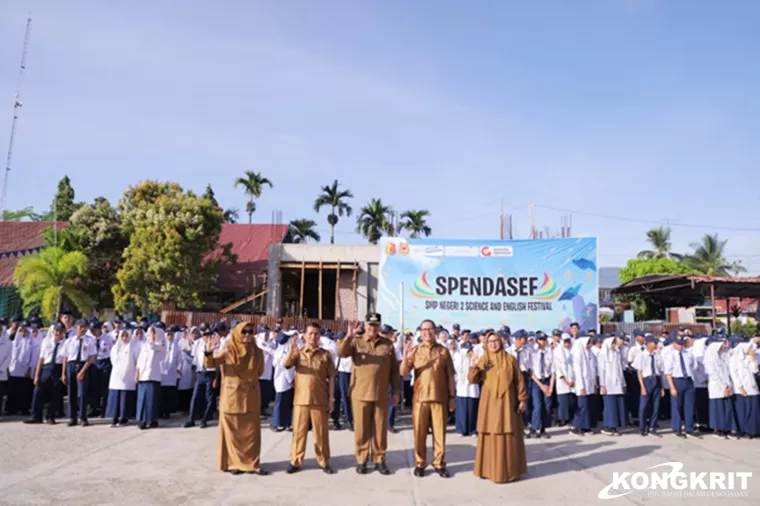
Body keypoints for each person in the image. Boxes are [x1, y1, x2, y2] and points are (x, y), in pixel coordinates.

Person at [337, 313, 401, 475]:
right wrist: (348, 336)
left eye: (375, 325)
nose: (373, 328)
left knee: (380, 429)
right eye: (370, 325)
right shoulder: (356, 342)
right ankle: (362, 459)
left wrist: (397, 391)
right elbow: (341, 353)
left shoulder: (387, 344)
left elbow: (394, 371)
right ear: (365, 325)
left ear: (379, 326)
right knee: (361, 429)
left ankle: (379, 459)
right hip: (360, 393)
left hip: (381, 393)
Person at [203, 322, 269, 475]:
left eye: (250, 332)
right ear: (238, 333)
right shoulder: (228, 349)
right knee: (233, 432)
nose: (247, 335)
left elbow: (259, 371)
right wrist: (208, 352)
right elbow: (211, 363)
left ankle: (251, 463)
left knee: (251, 433)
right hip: (232, 397)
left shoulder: (257, 352)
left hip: (251, 396)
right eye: (244, 332)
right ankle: (234, 463)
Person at [467, 331, 528, 484]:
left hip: (508, 403)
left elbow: (519, 381)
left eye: (496, 341)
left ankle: (511, 471)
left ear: (501, 342)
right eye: (490, 342)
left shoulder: (510, 360)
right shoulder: (484, 360)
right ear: (486, 344)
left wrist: (522, 399)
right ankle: (489, 470)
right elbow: (472, 380)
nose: (493, 344)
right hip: (489, 404)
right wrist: (473, 366)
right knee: (490, 434)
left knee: (509, 434)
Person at [400, 318, 456, 478]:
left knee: (440, 433)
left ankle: (439, 463)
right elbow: (403, 372)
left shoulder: (444, 351)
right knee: (419, 433)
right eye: (424, 330)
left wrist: (452, 396)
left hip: (440, 397)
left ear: (435, 331)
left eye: (430, 329)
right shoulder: (416, 350)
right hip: (420, 399)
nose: (427, 332)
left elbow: (450, 375)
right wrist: (405, 356)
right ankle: (420, 463)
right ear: (421, 332)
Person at [283, 323, 337, 474]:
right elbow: (286, 364)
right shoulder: (298, 353)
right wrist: (292, 351)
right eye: (310, 333)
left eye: (316, 334)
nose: (313, 336)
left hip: (320, 400)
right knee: (299, 433)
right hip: (301, 400)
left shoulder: (325, 355)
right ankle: (295, 461)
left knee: (321, 434)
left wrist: (331, 399)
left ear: (320, 337)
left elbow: (332, 378)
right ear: (305, 336)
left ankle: (324, 461)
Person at [25, 323, 67, 424]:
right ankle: (36, 417)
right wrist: (36, 375)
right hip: (46, 368)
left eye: (60, 331)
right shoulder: (46, 341)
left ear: (63, 333)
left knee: (55, 394)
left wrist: (63, 374)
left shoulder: (66, 343)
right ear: (53, 332)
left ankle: (50, 416)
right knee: (38, 392)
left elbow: (65, 359)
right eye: (56, 331)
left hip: (57, 368)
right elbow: (41, 358)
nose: (58, 333)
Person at [61, 320, 97, 426]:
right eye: (81, 327)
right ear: (76, 327)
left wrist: (82, 371)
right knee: (71, 393)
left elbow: (91, 357)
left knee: (82, 394)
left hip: (83, 365)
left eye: (84, 327)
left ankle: (83, 417)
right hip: (71, 365)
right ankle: (72, 417)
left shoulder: (90, 340)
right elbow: (65, 357)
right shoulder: (69, 341)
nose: (83, 329)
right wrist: (63, 373)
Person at [664, 335, 699, 438]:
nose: (680, 346)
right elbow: (668, 373)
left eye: (681, 344)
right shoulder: (670, 355)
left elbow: (694, 366)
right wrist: (672, 387)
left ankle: (689, 428)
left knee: (689, 405)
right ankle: (677, 428)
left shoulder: (688, 353)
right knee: (677, 406)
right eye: (678, 344)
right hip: (677, 380)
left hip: (688, 379)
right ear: (673, 343)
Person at [185, 326, 218, 428]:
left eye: (209, 335)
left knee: (209, 398)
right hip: (200, 372)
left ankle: (205, 419)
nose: (207, 337)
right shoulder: (198, 343)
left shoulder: (216, 344)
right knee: (195, 397)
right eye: (205, 335)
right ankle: (191, 419)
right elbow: (195, 360)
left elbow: (218, 362)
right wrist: (195, 375)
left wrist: (216, 377)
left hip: (210, 373)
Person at [135, 325, 167, 430]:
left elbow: (155, 347)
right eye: (150, 333)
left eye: (153, 333)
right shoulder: (145, 345)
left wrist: (153, 340)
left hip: (153, 376)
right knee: (142, 399)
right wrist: (137, 373)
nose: (151, 335)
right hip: (143, 376)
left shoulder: (161, 346)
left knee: (151, 400)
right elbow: (140, 360)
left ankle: (152, 420)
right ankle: (142, 420)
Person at [703, 339, 734, 438]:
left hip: (726, 386)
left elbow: (727, 372)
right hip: (717, 387)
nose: (724, 347)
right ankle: (718, 429)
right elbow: (714, 375)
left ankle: (726, 428)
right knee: (717, 409)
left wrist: (729, 385)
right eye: (721, 346)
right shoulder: (710, 360)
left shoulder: (723, 358)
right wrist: (724, 386)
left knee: (726, 408)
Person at [729, 342, 759, 439]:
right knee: (743, 411)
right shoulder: (734, 359)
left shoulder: (750, 358)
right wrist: (740, 387)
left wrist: (753, 358)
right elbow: (734, 374)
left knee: (753, 410)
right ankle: (743, 430)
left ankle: (753, 430)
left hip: (752, 387)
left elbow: (755, 370)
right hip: (741, 389)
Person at [634, 335, 663, 436]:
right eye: (654, 343)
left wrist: (662, 387)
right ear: (649, 343)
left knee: (656, 406)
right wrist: (642, 387)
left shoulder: (657, 355)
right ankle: (642, 427)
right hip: (647, 380)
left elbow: (660, 371)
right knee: (644, 406)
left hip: (656, 380)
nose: (656, 344)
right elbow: (639, 372)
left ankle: (652, 426)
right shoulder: (641, 355)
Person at [599, 335, 627, 436]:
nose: (614, 345)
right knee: (609, 406)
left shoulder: (617, 353)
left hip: (618, 384)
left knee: (617, 406)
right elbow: (601, 371)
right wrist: (602, 385)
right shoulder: (603, 355)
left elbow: (620, 370)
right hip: (608, 384)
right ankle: (608, 427)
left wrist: (623, 384)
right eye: (613, 343)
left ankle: (614, 426)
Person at [528, 332, 554, 439]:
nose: (542, 342)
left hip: (547, 380)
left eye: (544, 339)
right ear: (536, 340)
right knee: (537, 405)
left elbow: (553, 371)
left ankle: (544, 428)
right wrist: (541, 385)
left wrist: (551, 387)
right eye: (540, 340)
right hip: (537, 381)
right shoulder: (533, 352)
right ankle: (534, 428)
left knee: (547, 406)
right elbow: (531, 372)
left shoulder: (550, 352)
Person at [454, 341, 479, 437]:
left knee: (472, 409)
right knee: (462, 409)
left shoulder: (475, 358)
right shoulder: (459, 358)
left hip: (472, 387)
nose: (469, 351)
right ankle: (461, 429)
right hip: (462, 387)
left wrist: (474, 362)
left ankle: (473, 429)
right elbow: (456, 372)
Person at [272, 331, 295, 432]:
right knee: (280, 404)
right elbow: (286, 368)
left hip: (284, 383)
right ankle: (278, 423)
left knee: (285, 404)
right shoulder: (284, 352)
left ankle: (286, 423)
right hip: (284, 382)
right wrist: (290, 380)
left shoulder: (280, 351)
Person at [553, 334, 575, 427]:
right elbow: (557, 368)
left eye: (568, 341)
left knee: (571, 401)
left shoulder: (572, 351)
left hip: (572, 379)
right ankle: (562, 419)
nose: (567, 343)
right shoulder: (557, 351)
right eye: (565, 341)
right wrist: (566, 381)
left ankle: (571, 418)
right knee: (563, 401)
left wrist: (572, 379)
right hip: (562, 380)